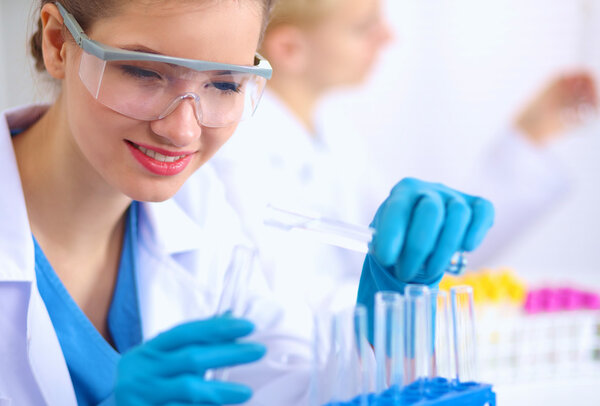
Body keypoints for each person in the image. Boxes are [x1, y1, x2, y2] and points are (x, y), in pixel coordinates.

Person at [0, 1, 494, 405]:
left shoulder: (204, 213)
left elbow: (293, 389)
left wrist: (392, 315)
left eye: (223, 84)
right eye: (144, 73)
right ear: (58, 44)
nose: (184, 130)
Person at [212, 0, 394, 311]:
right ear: (290, 48)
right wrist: (402, 299)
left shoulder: (334, 131)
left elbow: (394, 249)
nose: (388, 37)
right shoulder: (238, 147)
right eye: (363, 28)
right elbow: (287, 299)